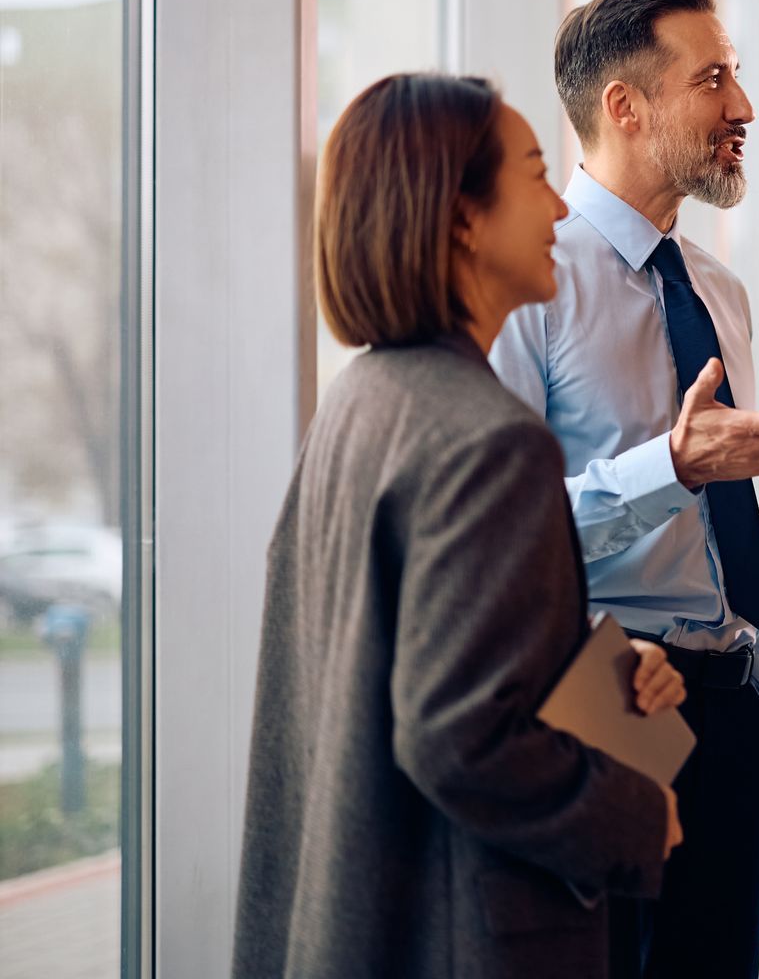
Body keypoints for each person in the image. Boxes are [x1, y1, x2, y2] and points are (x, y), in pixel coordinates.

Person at [234, 74, 688, 979]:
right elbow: (459, 737)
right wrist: (638, 814)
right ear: (462, 219)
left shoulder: (361, 404)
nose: (562, 205)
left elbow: (408, 655)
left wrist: (589, 668)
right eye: (532, 175)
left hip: (354, 914)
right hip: (460, 933)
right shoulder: (491, 443)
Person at [491, 0, 759, 978]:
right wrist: (672, 467)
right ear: (624, 106)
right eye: (715, 79)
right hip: (610, 698)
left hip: (734, 702)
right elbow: (501, 538)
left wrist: (756, 676)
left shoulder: (717, 289)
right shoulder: (533, 282)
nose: (743, 107)